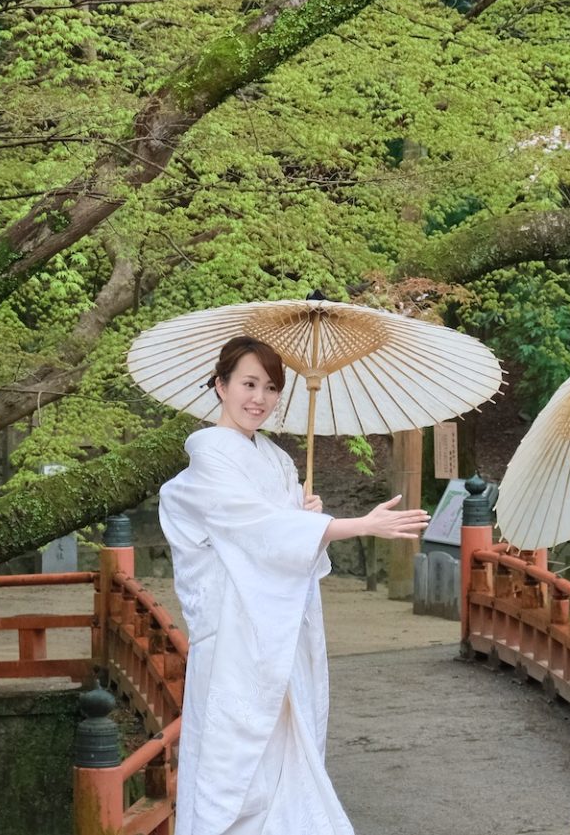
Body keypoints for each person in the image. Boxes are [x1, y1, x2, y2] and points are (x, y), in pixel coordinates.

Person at [159, 335, 430, 835]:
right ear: (220, 386)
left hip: (280, 637)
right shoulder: (210, 461)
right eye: (248, 384)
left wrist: (307, 521)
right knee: (233, 770)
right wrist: (352, 526)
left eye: (270, 387)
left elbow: (287, 546)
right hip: (236, 641)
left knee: (286, 754)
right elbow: (260, 531)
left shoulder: (280, 462)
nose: (259, 398)